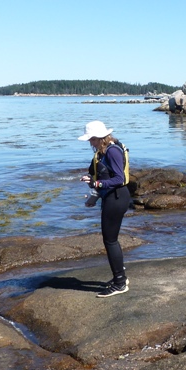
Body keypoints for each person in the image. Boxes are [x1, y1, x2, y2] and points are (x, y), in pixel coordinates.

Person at [78, 120, 130, 298]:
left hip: (117, 198)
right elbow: (104, 177)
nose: (90, 143)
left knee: (110, 240)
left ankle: (120, 283)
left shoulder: (113, 151)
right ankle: (120, 277)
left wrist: (96, 183)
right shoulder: (103, 151)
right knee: (111, 239)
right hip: (111, 197)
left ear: (99, 137)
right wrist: (94, 195)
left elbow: (119, 179)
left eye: (91, 139)